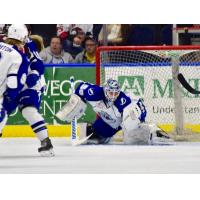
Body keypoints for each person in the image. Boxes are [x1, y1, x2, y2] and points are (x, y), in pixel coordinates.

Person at [56, 79, 174, 145]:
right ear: (105, 90)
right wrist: (75, 102)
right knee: (90, 134)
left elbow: (138, 112)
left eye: (115, 93)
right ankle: (105, 134)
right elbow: (81, 88)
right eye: (110, 93)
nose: (113, 96)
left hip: (131, 111)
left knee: (130, 137)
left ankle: (152, 131)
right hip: (110, 122)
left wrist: (137, 123)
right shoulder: (94, 92)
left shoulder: (123, 101)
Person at [0, 24, 54, 156]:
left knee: (28, 109)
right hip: (13, 81)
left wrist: (34, 73)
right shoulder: (8, 44)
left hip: (29, 84)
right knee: (3, 110)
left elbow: (39, 65)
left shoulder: (28, 44)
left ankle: (46, 141)